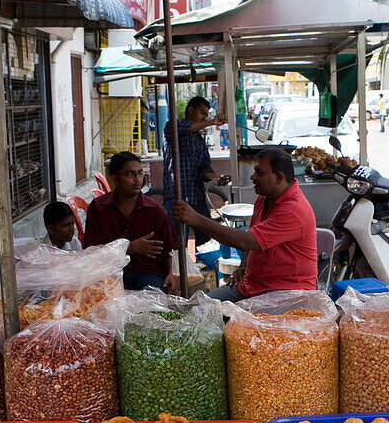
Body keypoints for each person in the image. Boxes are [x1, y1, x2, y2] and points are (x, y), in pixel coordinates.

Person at [173, 147, 317, 302]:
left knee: (233, 321)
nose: (253, 177)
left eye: (259, 173)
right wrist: (244, 265)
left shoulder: (293, 210)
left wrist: (195, 219)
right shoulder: (265, 198)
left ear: (279, 177)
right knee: (199, 307)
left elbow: (246, 240)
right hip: (254, 284)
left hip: (288, 291)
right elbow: (253, 235)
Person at [85, 152, 180, 292]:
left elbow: (169, 249)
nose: (137, 179)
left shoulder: (155, 210)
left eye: (140, 173)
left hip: (148, 273)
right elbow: (92, 251)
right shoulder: (99, 208)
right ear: (115, 178)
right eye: (130, 174)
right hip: (109, 273)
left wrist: (171, 274)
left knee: (152, 300)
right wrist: (130, 248)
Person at [163, 96, 226, 246]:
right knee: (178, 242)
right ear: (190, 110)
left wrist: (216, 178)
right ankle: (179, 268)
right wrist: (211, 122)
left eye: (206, 114)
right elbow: (189, 127)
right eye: (202, 113)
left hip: (196, 196)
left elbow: (204, 170)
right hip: (177, 195)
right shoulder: (172, 126)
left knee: (205, 238)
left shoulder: (199, 140)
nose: (205, 117)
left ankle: (202, 266)